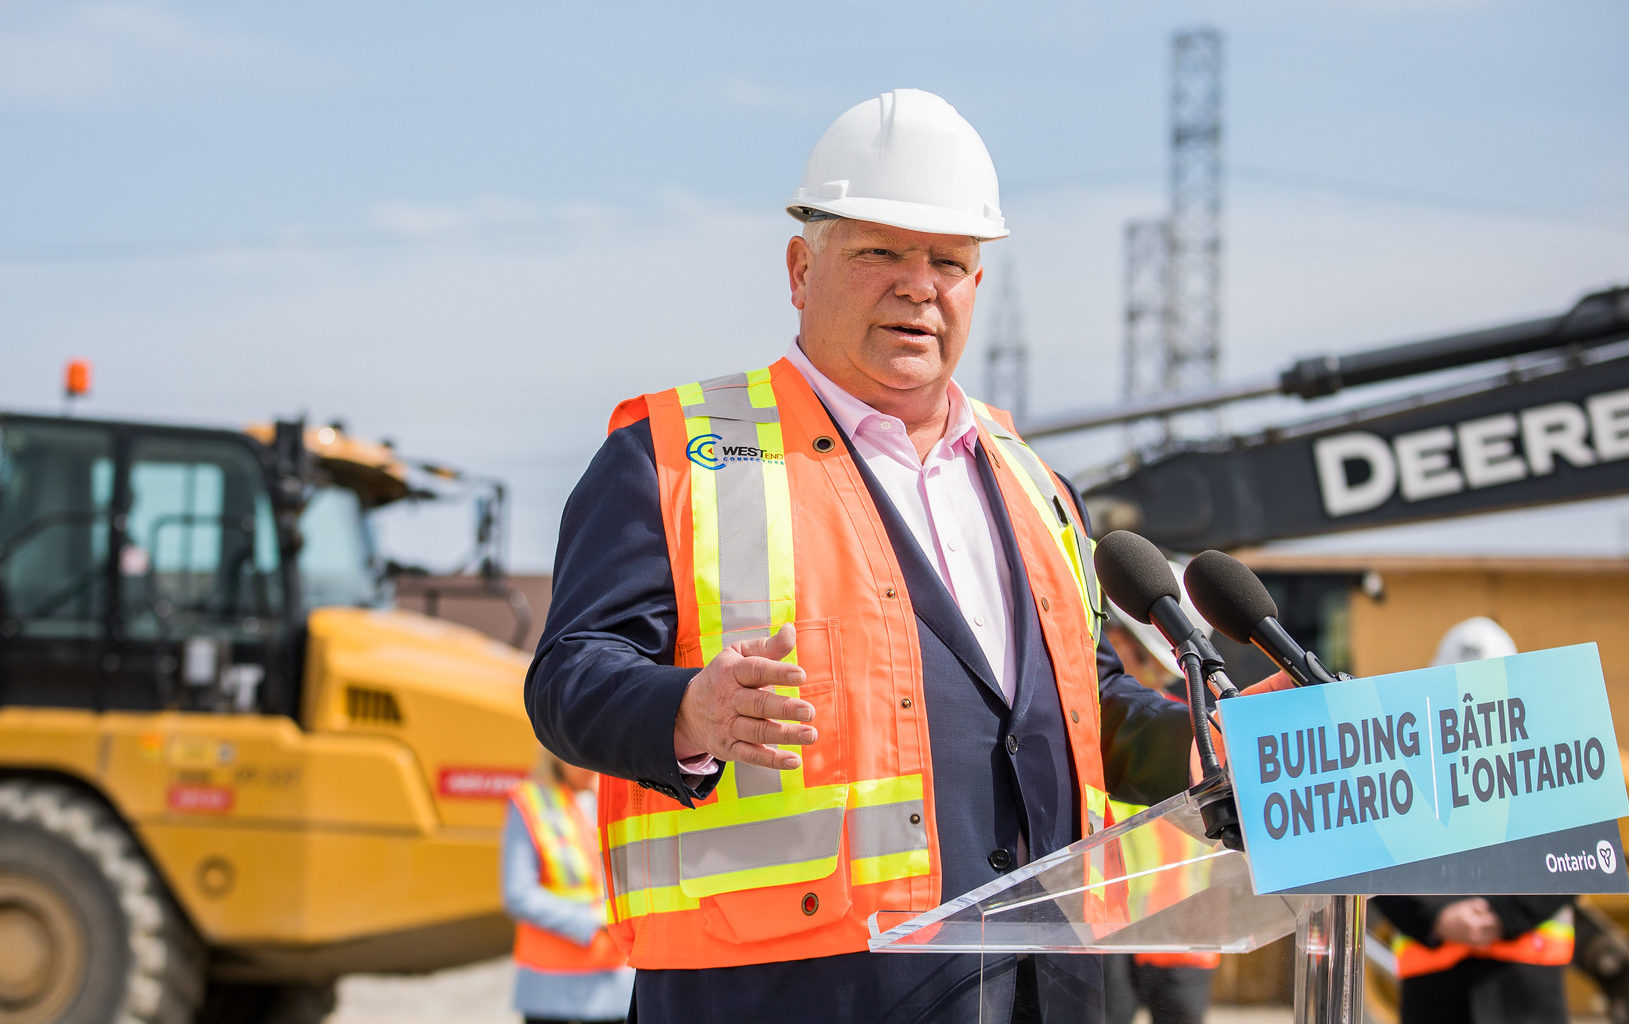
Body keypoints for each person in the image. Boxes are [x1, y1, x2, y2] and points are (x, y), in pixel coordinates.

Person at [524, 88, 1192, 1023]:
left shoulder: (1035, 483)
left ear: (975, 288)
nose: (918, 285)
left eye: (949, 262)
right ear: (801, 269)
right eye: (880, 251)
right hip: (785, 993)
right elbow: (568, 679)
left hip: (1046, 990)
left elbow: (1083, 710)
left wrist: (1211, 743)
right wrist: (690, 709)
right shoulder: (672, 456)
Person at [1373, 617, 1575, 1024]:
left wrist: (1505, 914)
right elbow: (1381, 865)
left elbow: (1575, 857)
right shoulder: (1405, 774)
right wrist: (1437, 920)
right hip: (1436, 988)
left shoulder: (1552, 767)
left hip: (1527, 986)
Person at [1100, 582, 1219, 1024]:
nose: (1157, 675)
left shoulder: (1190, 731)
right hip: (1112, 928)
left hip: (1181, 927)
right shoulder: (1110, 727)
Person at [502, 753, 634, 1024]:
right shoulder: (531, 801)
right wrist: (593, 922)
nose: (588, 764)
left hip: (616, 977)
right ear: (555, 749)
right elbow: (518, 894)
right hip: (550, 982)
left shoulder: (626, 797)